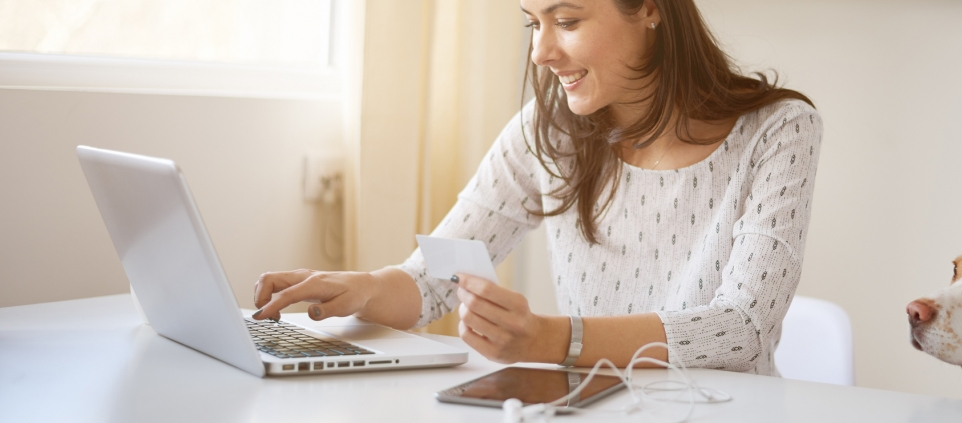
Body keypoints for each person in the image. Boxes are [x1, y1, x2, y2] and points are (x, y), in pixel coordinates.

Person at [252, 0, 821, 377]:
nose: (541, 52)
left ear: (650, 8)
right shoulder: (547, 129)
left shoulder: (777, 130)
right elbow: (441, 279)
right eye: (533, 22)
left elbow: (740, 327)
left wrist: (552, 340)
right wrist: (362, 287)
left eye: (567, 21)